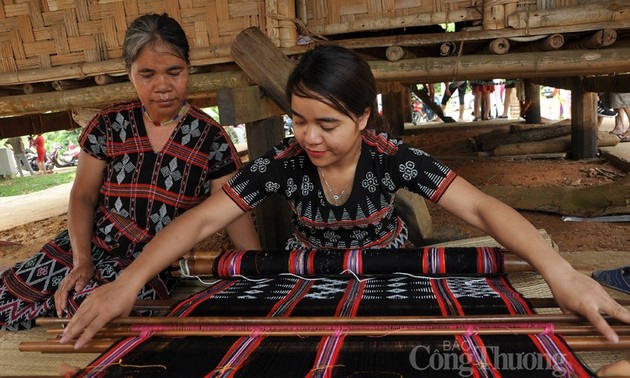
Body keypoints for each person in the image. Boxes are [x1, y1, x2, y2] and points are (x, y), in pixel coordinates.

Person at [59, 45, 630, 350]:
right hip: (317, 277)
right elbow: (201, 219)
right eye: (298, 120)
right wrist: (128, 282)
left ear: (362, 117)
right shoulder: (285, 162)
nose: (309, 137)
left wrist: (558, 273)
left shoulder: (391, 157)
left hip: (399, 273)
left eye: (327, 123)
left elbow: (481, 208)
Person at [0, 13, 260, 332]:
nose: (162, 86)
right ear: (130, 74)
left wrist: (259, 270)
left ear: (188, 69)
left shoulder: (210, 138)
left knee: (86, 310)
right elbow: (83, 196)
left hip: (151, 266)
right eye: (147, 74)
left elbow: (231, 210)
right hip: (85, 244)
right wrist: (82, 261)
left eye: (174, 72)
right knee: (8, 295)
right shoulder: (109, 125)